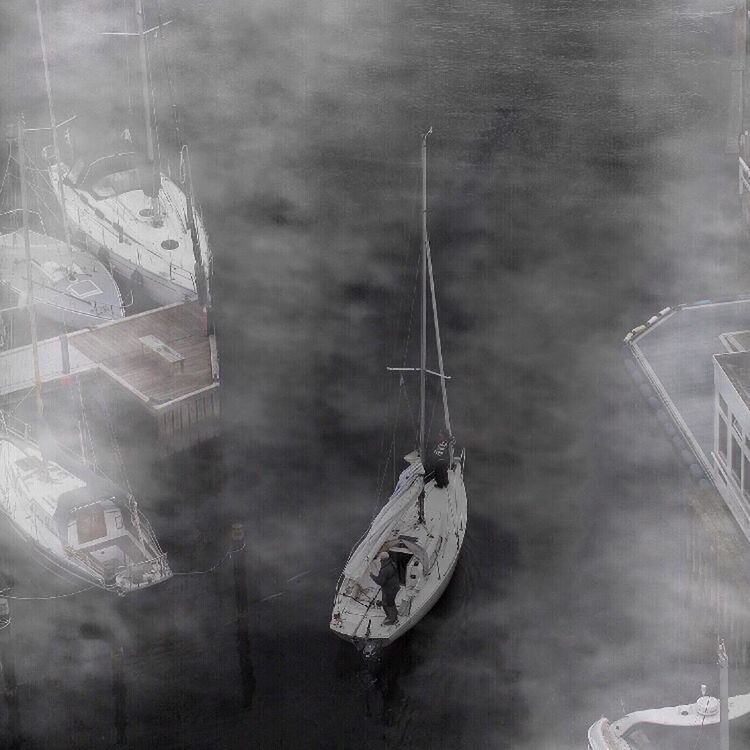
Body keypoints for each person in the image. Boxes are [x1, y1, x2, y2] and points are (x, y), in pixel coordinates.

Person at [370, 551, 400, 626]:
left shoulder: (384, 570)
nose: (380, 560)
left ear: (383, 559)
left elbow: (380, 582)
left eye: (381, 559)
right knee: (388, 602)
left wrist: (372, 576)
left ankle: (392, 619)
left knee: (388, 604)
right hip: (394, 586)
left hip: (389, 589)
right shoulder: (392, 563)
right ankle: (393, 615)